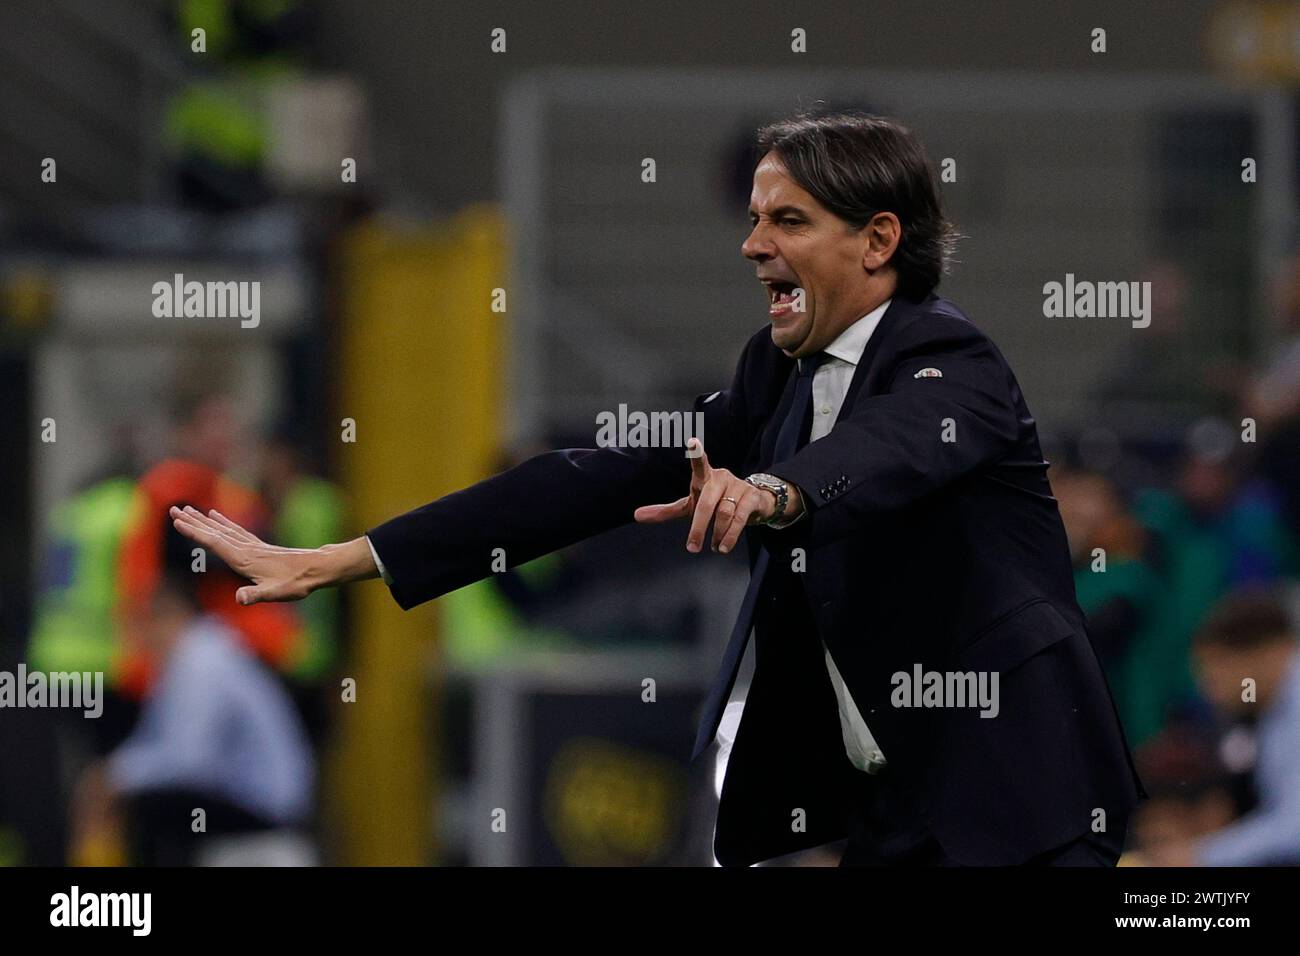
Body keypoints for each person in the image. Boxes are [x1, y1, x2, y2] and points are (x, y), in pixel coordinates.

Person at [170, 110, 1144, 867]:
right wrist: (354, 555)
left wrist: (774, 491)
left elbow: (893, 451)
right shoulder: (775, 375)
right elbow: (586, 480)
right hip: (896, 809)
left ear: (878, 240)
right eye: (756, 217)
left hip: (1023, 797)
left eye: (787, 220)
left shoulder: (952, 360)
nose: (753, 244)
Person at [1140, 590, 1300, 866]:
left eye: (1212, 670)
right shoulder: (1273, 713)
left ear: (1262, 653)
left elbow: (1294, 831)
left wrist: (1199, 855)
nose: (1207, 689)